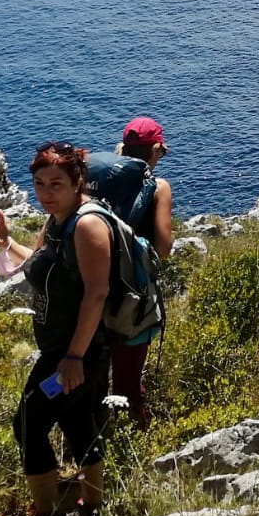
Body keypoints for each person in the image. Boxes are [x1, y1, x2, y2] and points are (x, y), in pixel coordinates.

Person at [0, 142, 113, 516]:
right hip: (63, 349)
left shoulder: (87, 224)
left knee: (27, 424)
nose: (46, 192)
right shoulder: (57, 221)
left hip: (77, 352)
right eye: (39, 183)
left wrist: (74, 357)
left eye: (56, 183)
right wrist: (7, 243)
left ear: (78, 181)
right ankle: (92, 507)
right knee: (76, 421)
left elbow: (97, 292)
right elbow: (39, 263)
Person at [105, 117, 173, 427]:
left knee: (92, 366)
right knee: (128, 377)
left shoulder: (102, 179)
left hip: (92, 287)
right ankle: (137, 432)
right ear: (156, 150)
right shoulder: (158, 187)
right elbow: (163, 246)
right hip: (133, 295)